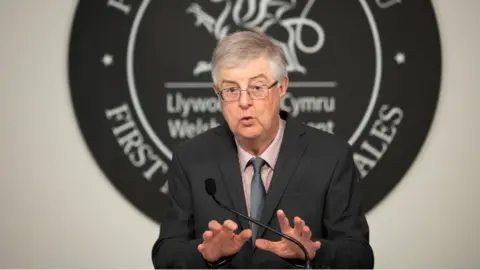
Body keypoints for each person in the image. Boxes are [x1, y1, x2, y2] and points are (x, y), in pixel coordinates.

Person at [151, 30, 374, 269]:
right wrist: (206, 255)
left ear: (281, 87)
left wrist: (314, 252)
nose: (244, 102)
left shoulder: (331, 157)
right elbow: (165, 255)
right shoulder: (190, 159)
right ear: (217, 94)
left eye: (257, 87)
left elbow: (359, 256)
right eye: (231, 90)